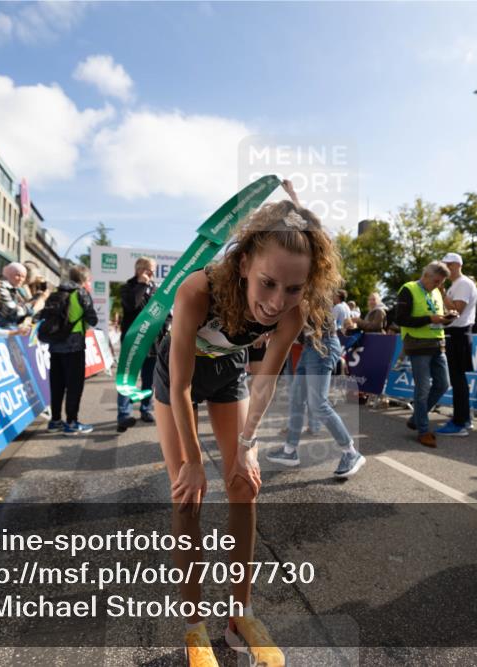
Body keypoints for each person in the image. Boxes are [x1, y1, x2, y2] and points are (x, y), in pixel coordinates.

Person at [152, 180, 339, 666]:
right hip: (179, 375)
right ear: (242, 266)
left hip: (228, 371)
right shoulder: (198, 289)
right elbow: (180, 387)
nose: (277, 301)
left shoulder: (293, 311)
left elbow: (265, 381)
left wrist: (248, 445)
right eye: (268, 283)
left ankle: (241, 615)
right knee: (188, 493)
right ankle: (194, 626)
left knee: (244, 485)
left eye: (294, 288)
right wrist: (194, 461)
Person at [266, 293, 365, 478]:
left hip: (323, 345)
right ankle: (289, 450)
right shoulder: (294, 287)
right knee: (296, 399)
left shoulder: (309, 287)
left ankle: (351, 452)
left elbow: (299, 314)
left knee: (318, 404)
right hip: (310, 347)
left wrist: (269, 330)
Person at [395, 261, 452, 448]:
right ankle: (423, 430)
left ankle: (416, 419)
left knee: (443, 384)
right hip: (418, 345)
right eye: (436, 281)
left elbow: (438, 318)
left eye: (441, 282)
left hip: (437, 344)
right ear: (426, 275)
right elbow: (400, 319)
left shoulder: (436, 291)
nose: (438, 285)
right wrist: (430, 319)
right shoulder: (409, 289)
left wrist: (447, 318)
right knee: (423, 389)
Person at [40, 266, 98, 435]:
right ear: (84, 279)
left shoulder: (56, 293)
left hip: (55, 344)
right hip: (74, 345)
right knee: (74, 385)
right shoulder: (81, 293)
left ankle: (55, 421)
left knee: (57, 384)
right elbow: (92, 319)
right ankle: (72, 422)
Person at [437, 252, 477, 437]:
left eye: (446, 266)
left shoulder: (463, 283)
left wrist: (442, 292)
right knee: (457, 379)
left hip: (459, 334)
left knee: (458, 379)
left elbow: (456, 310)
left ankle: (461, 422)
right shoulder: (458, 284)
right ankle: (463, 419)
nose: (443, 270)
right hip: (456, 334)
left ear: (455, 265)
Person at [117, 256, 158, 432]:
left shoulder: (156, 289)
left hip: (152, 342)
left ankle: (146, 409)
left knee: (149, 380)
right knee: (128, 379)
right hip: (133, 342)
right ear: (140, 270)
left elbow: (164, 312)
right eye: (149, 270)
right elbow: (131, 305)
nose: (152, 274)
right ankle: (124, 415)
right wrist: (141, 284)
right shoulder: (128, 288)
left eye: (153, 271)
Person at [0, 262, 47, 330]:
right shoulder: (2, 287)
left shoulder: (14, 288)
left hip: (9, 327)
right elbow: (15, 312)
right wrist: (34, 308)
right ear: (9, 274)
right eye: (18, 275)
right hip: (2, 328)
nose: (21, 279)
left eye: (23, 276)